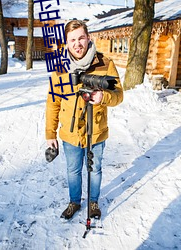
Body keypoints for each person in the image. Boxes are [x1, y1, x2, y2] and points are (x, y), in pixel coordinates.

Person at [45, 20, 123, 220]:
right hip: (70, 133)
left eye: (81, 38)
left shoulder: (105, 63)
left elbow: (119, 95)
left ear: (88, 38)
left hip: (96, 130)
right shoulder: (60, 67)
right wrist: (50, 134)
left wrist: (103, 97)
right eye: (72, 40)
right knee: (73, 170)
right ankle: (74, 202)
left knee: (95, 168)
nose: (77, 43)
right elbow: (53, 103)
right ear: (66, 42)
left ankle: (94, 202)